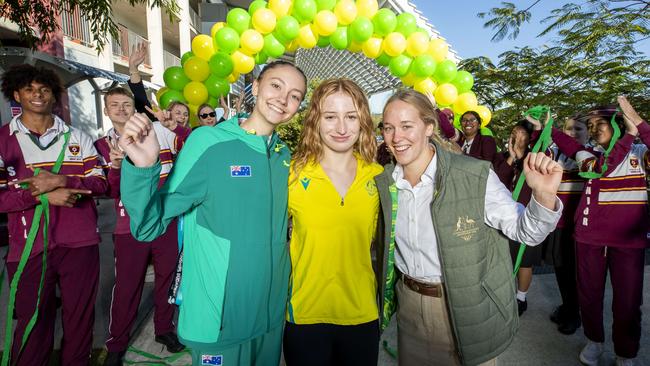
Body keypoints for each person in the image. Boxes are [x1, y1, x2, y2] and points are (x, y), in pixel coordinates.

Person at [117, 60, 307, 366]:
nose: (284, 99)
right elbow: (149, 225)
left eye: (295, 95)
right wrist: (143, 169)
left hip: (269, 319)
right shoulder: (209, 142)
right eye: (276, 86)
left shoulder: (283, 155)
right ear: (255, 88)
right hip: (219, 320)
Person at [374, 89, 563, 366]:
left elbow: (526, 231)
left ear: (429, 127)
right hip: (410, 307)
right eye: (388, 128)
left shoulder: (473, 175)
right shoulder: (385, 183)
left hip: (465, 306)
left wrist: (544, 197)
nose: (396, 137)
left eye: (406, 126)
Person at [0, 64, 108, 365]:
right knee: (33, 323)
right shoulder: (3, 140)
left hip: (80, 243)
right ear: (17, 94)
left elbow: (101, 183)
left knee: (80, 320)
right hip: (28, 248)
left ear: (54, 95)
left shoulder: (78, 137)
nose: (38, 95)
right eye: (30, 89)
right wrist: (40, 194)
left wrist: (63, 180)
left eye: (44, 89)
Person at [541, 97, 648, 366]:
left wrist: (637, 122)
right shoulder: (589, 157)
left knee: (627, 302)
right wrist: (546, 126)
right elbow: (570, 145)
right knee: (589, 295)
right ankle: (594, 341)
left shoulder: (638, 153)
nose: (595, 128)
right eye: (591, 124)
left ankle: (626, 352)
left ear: (619, 125)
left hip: (628, 242)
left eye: (602, 123)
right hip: (589, 239)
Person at [283, 79, 383, 366]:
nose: (341, 128)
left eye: (350, 117)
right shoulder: (291, 175)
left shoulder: (378, 177)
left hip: (362, 314)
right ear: (316, 120)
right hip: (305, 314)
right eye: (331, 117)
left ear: (363, 120)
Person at [94, 87, 185, 365]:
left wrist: (176, 129)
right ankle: (117, 343)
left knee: (167, 280)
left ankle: (164, 329)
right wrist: (117, 168)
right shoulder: (101, 145)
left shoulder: (161, 134)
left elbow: (190, 154)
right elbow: (109, 191)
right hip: (128, 226)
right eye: (114, 105)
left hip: (164, 219)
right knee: (126, 286)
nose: (121, 109)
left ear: (134, 108)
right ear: (106, 110)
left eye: (126, 104)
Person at [530, 114, 588, 334]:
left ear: (589, 132)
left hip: (581, 227)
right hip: (559, 224)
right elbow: (538, 154)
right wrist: (538, 130)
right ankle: (569, 306)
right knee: (561, 270)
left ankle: (575, 314)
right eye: (569, 129)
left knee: (577, 273)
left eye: (578, 129)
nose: (572, 134)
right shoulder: (556, 153)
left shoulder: (594, 155)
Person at [493, 119, 541, 316]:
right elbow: (497, 179)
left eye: (519, 134)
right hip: (505, 217)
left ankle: (521, 297)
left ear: (529, 138)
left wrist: (521, 158)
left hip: (527, 217)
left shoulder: (535, 158)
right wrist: (511, 158)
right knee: (504, 258)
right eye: (512, 133)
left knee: (524, 261)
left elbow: (531, 183)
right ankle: (502, 294)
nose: (514, 137)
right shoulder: (504, 157)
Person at [128, 42, 191, 145]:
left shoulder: (191, 135)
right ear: (167, 114)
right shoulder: (155, 128)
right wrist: (133, 69)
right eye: (178, 113)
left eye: (186, 114)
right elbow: (141, 98)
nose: (183, 117)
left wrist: (174, 127)